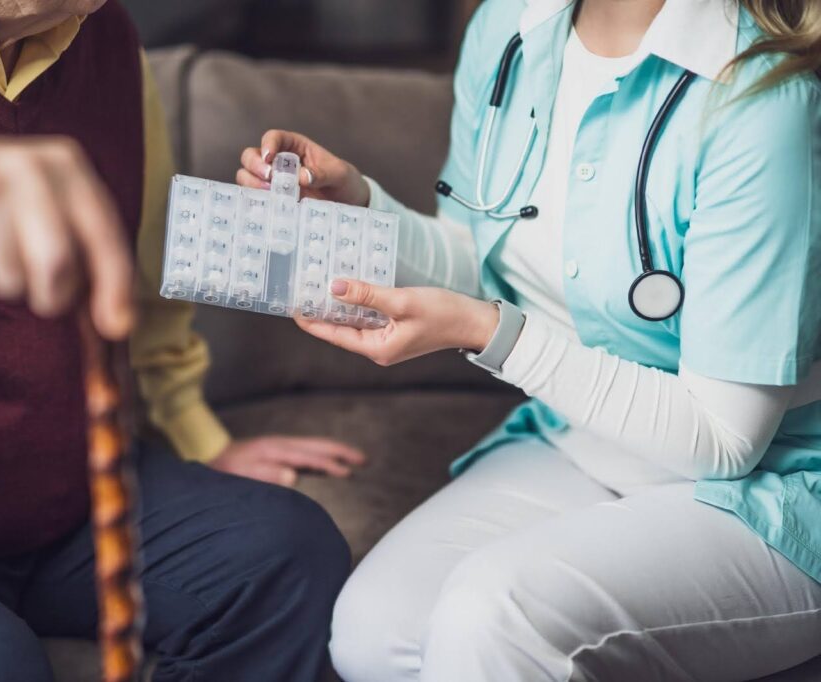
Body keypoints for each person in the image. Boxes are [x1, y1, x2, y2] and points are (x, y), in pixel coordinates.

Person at [236, 0, 821, 679]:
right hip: (586, 441)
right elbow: (484, 260)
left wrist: (490, 333)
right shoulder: (510, 26)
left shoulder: (764, 100)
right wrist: (363, 211)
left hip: (768, 484)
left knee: (496, 619)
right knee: (378, 631)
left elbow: (722, 443)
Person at [0, 1, 358, 680]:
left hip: (61, 497)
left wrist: (200, 437)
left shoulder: (109, 38)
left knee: (288, 555)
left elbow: (140, 286)